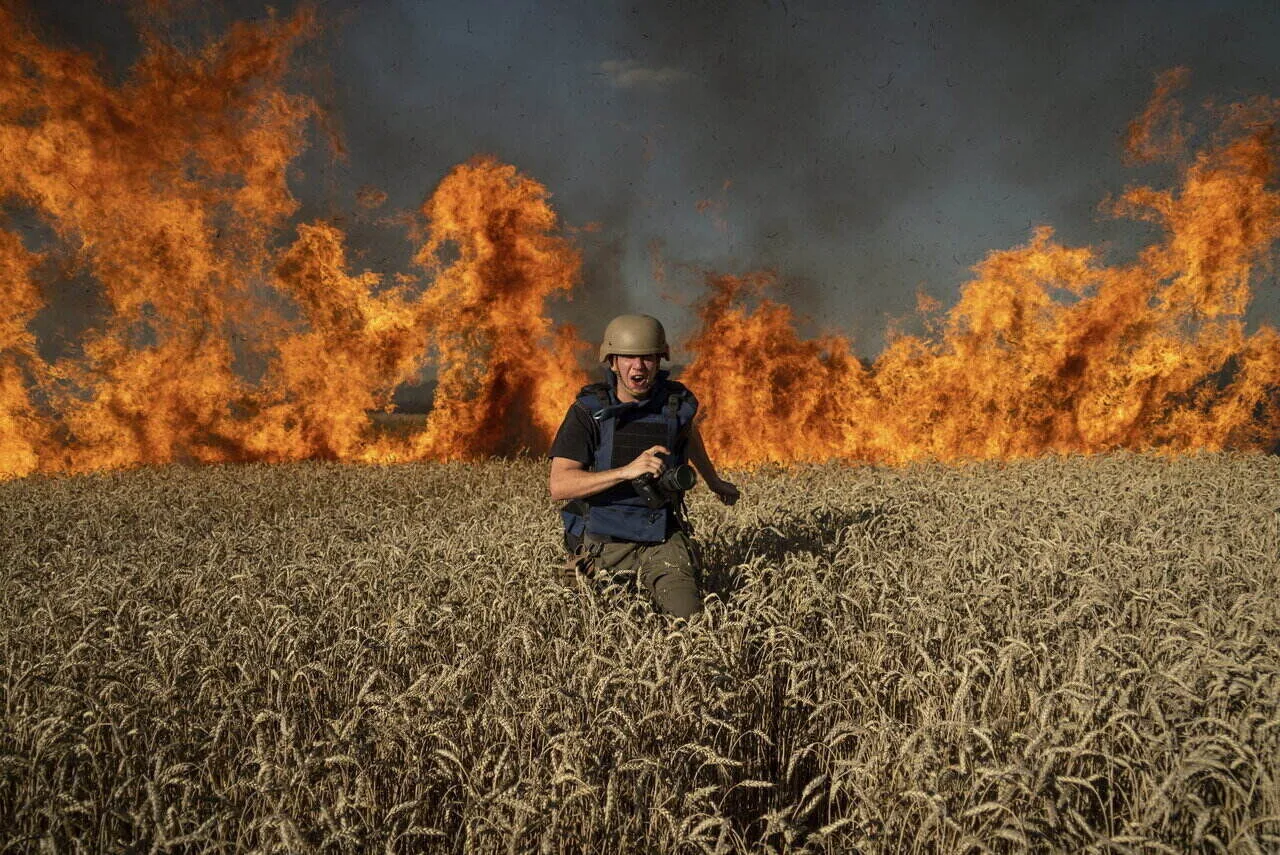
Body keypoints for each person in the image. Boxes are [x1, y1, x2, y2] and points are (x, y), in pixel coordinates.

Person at [548, 314, 739, 618]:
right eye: (628, 358)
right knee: (592, 627)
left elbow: (688, 435)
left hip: (662, 539)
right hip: (605, 545)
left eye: (647, 357)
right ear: (612, 362)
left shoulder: (674, 405)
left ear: (659, 359)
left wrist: (714, 481)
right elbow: (560, 485)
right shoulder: (589, 413)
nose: (639, 367)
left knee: (689, 623)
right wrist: (626, 471)